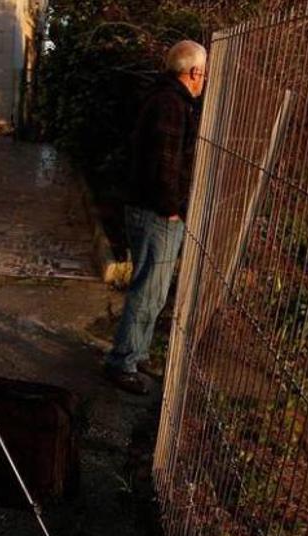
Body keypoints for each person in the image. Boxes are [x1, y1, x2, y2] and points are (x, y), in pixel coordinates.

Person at [104, 40, 207, 395]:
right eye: (203, 73)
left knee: (154, 289)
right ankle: (123, 362)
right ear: (194, 72)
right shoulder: (171, 104)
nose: (204, 80)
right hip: (157, 213)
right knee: (148, 290)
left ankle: (138, 351)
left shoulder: (163, 97)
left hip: (150, 208)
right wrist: (173, 208)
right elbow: (164, 163)